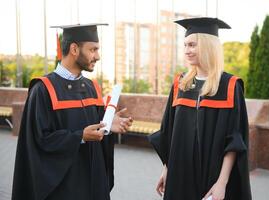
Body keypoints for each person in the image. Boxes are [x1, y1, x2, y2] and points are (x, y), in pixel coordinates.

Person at [12, 23, 133, 200]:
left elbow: (97, 129)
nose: (97, 56)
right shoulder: (43, 89)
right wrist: (80, 137)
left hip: (92, 184)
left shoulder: (91, 88)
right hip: (64, 187)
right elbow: (38, 142)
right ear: (74, 49)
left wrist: (108, 124)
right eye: (93, 50)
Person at [148, 17, 252, 200]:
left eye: (192, 45)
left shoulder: (229, 86)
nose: (187, 51)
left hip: (211, 176)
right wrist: (167, 170)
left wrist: (222, 183)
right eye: (185, 45)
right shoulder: (181, 84)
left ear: (208, 46)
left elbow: (234, 141)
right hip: (180, 176)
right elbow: (169, 133)